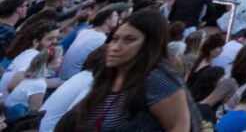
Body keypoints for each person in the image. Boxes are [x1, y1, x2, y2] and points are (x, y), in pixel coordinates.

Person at [53, 8, 191, 132]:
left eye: (129, 40)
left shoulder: (157, 80)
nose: (115, 47)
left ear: (149, 45)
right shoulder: (110, 73)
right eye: (115, 39)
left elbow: (179, 127)